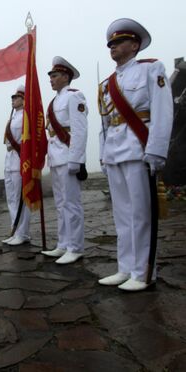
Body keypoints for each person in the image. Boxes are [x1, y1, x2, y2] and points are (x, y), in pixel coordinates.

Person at [97, 18, 173, 291]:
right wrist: (103, 156)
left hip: (139, 149)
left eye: (118, 42)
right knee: (122, 214)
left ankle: (143, 273)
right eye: (110, 44)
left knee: (141, 213)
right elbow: (105, 125)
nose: (113, 47)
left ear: (134, 44)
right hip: (115, 152)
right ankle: (125, 268)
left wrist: (156, 151)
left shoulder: (151, 69)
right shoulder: (107, 84)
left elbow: (163, 112)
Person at [40, 56, 88, 264]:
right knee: (60, 204)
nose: (51, 79)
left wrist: (77, 159)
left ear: (66, 76)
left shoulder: (74, 96)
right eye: (50, 75)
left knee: (71, 203)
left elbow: (80, 130)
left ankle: (75, 247)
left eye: (55, 75)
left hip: (68, 156)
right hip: (55, 157)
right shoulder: (53, 102)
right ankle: (63, 244)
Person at [2, 85, 31, 246]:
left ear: (23, 99)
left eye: (16, 97)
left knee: (21, 198)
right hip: (9, 159)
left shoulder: (27, 116)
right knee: (11, 199)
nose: (13, 100)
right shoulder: (13, 117)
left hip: (20, 159)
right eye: (12, 98)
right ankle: (15, 230)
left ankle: (23, 233)